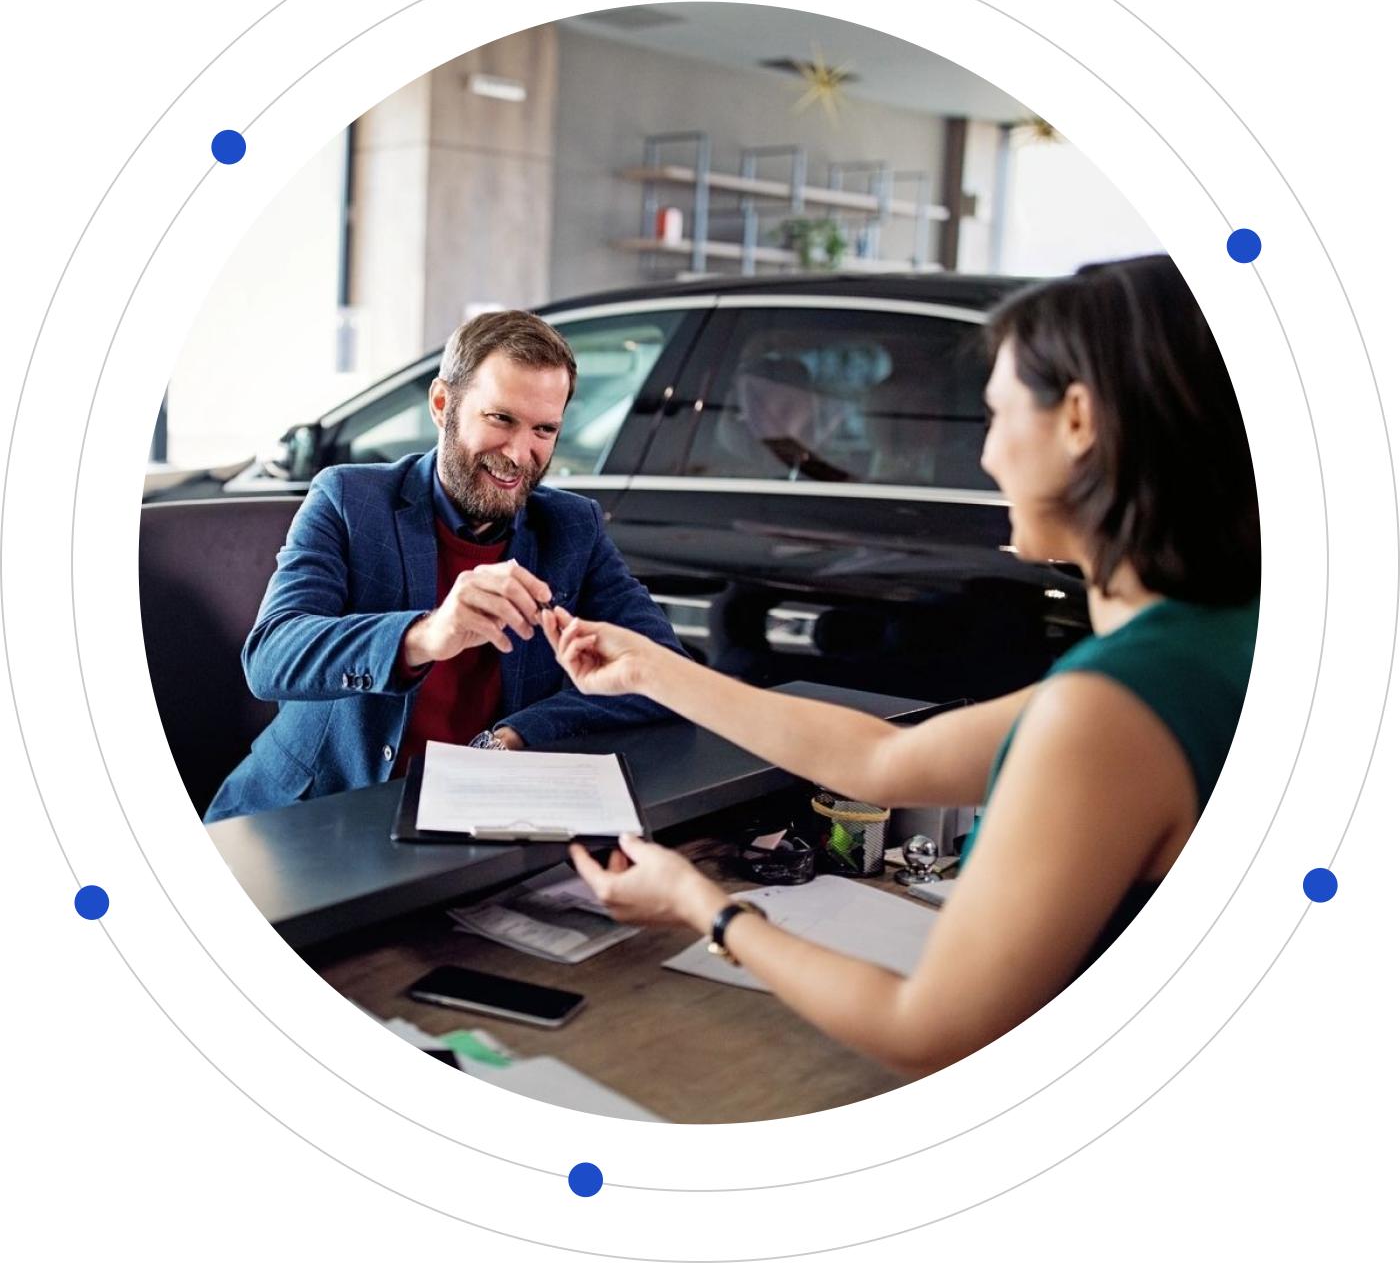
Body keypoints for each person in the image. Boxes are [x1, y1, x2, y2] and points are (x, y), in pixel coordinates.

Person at [541, 255, 1259, 1078]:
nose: (985, 457)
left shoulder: (1110, 711)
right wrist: (650, 670)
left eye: (993, 414)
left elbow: (931, 1030)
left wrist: (706, 909)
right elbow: (884, 762)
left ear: (1079, 422)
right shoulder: (1217, 638)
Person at [205, 310, 681, 822]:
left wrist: (516, 735)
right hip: (315, 813)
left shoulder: (572, 527)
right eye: (500, 419)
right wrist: (427, 635)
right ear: (441, 404)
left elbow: (665, 674)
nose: (520, 454)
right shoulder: (348, 498)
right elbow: (271, 657)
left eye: (544, 429)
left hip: (471, 818)